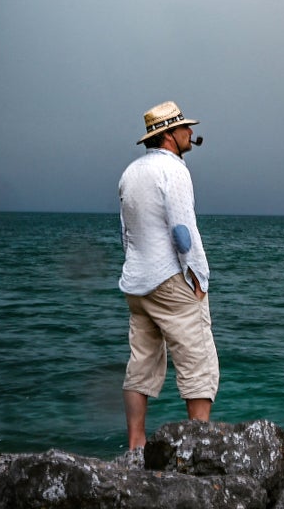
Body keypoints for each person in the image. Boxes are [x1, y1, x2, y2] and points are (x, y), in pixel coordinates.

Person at [118, 100, 218, 450]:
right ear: (169, 136)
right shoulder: (174, 170)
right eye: (185, 128)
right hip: (170, 279)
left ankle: (135, 446)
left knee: (141, 362)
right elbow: (182, 230)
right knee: (198, 360)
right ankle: (199, 446)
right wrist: (199, 277)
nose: (191, 132)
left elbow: (125, 234)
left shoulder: (130, 173)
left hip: (136, 282)